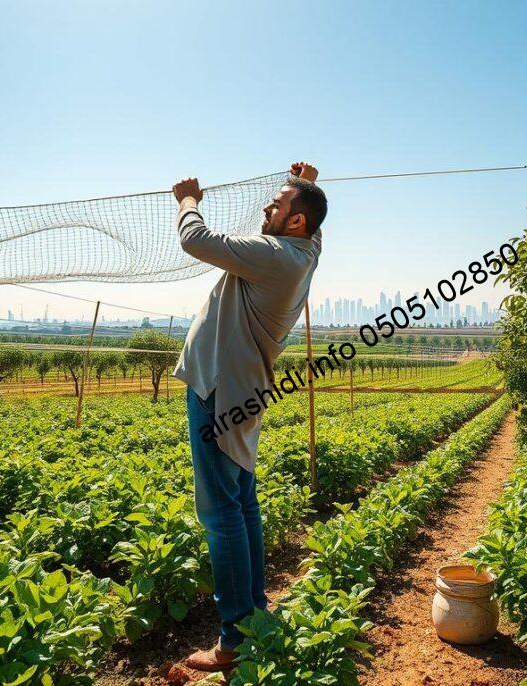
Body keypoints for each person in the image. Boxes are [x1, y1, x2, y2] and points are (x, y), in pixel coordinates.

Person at [171, 162, 326, 671]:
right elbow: (314, 222)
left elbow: (196, 241)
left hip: (220, 394)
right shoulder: (305, 251)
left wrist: (188, 200)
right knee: (240, 506)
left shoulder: (276, 255)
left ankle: (234, 639)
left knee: (221, 515)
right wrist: (307, 183)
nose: (266, 206)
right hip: (241, 392)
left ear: (295, 223)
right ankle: (255, 614)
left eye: (277, 204)